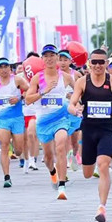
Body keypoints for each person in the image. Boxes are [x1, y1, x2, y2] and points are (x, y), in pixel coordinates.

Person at [68, 49, 112, 222]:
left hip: (106, 129)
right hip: (88, 130)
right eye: (94, 62)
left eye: (101, 62)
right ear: (89, 63)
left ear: (106, 63)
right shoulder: (82, 82)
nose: (97, 65)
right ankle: (87, 163)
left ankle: (102, 207)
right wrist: (75, 110)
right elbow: (71, 104)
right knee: (87, 174)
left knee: (103, 166)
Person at [25, 45, 74, 198]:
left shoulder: (65, 77)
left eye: (52, 55)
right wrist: (43, 92)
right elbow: (27, 99)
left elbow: (79, 93)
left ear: (57, 58)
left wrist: (75, 102)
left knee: (60, 146)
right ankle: (52, 171)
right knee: (48, 157)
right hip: (44, 121)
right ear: (42, 59)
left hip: (61, 118)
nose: (49, 59)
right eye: (46, 56)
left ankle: (62, 185)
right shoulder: (37, 78)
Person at [0, 57, 30, 188]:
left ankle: (18, 152)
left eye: (5, 67)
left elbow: (29, 90)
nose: (3, 70)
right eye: (0, 67)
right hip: (2, 119)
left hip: (17, 118)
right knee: (4, 146)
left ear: (9, 68)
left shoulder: (17, 79)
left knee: (18, 150)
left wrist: (19, 98)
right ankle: (6, 177)